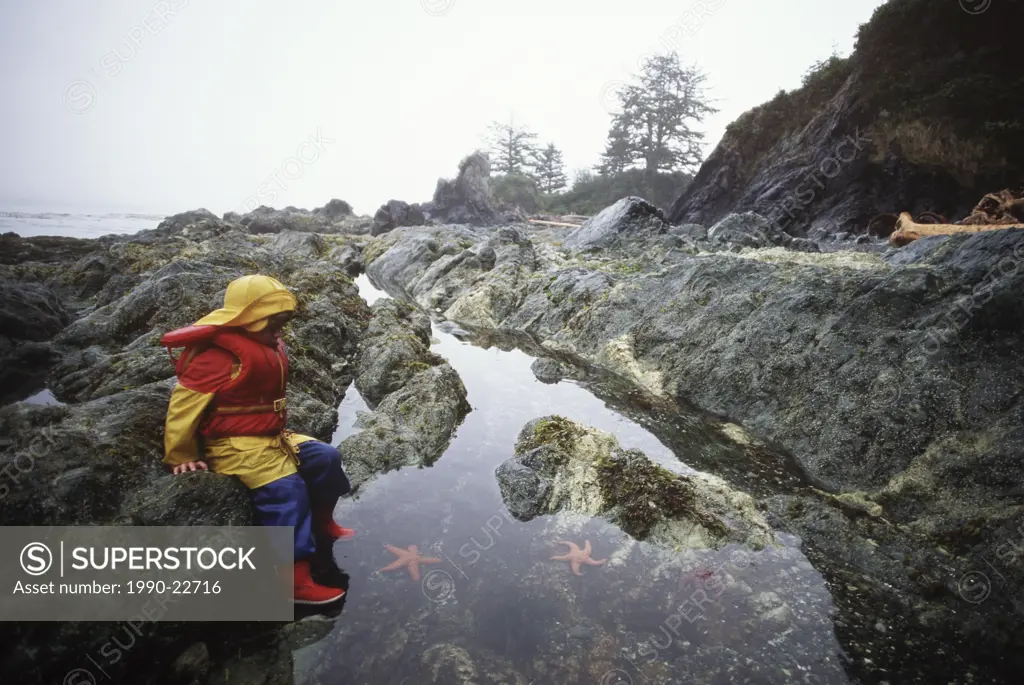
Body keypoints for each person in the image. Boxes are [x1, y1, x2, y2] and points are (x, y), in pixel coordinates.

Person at [161, 274, 354, 605]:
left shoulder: (265, 342)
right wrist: (181, 455)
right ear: (245, 320)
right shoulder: (218, 358)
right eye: (272, 323)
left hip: (274, 437)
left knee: (326, 458)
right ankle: (292, 580)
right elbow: (183, 410)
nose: (279, 330)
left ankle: (324, 523)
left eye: (283, 322)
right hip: (234, 445)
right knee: (287, 493)